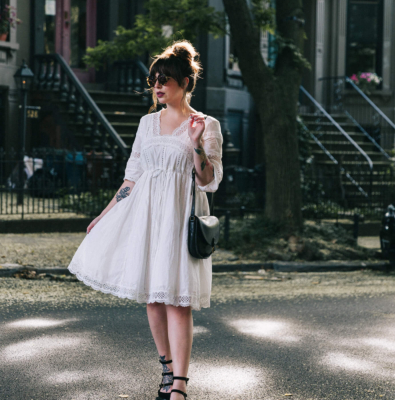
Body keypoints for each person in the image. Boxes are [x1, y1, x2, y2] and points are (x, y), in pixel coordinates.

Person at [67, 39, 224, 400]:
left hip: (180, 216)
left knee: (177, 301)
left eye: (164, 79)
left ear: (184, 82)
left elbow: (207, 180)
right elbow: (131, 177)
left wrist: (197, 143)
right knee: (154, 299)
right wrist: (104, 216)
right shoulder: (146, 123)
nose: (157, 85)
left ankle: (180, 385)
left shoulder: (206, 124)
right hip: (147, 217)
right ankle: (167, 370)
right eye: (154, 79)